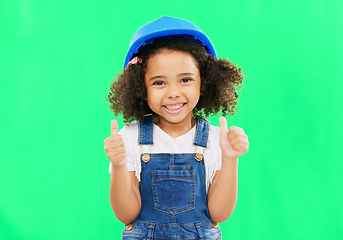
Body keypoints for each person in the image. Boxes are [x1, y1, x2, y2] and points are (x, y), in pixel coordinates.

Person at [104, 16, 249, 239]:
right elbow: (126, 214)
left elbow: (218, 213)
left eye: (185, 80)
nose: (173, 92)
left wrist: (230, 159)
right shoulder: (130, 137)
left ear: (204, 82)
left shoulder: (215, 139)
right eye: (159, 82)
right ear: (142, 88)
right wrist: (120, 165)